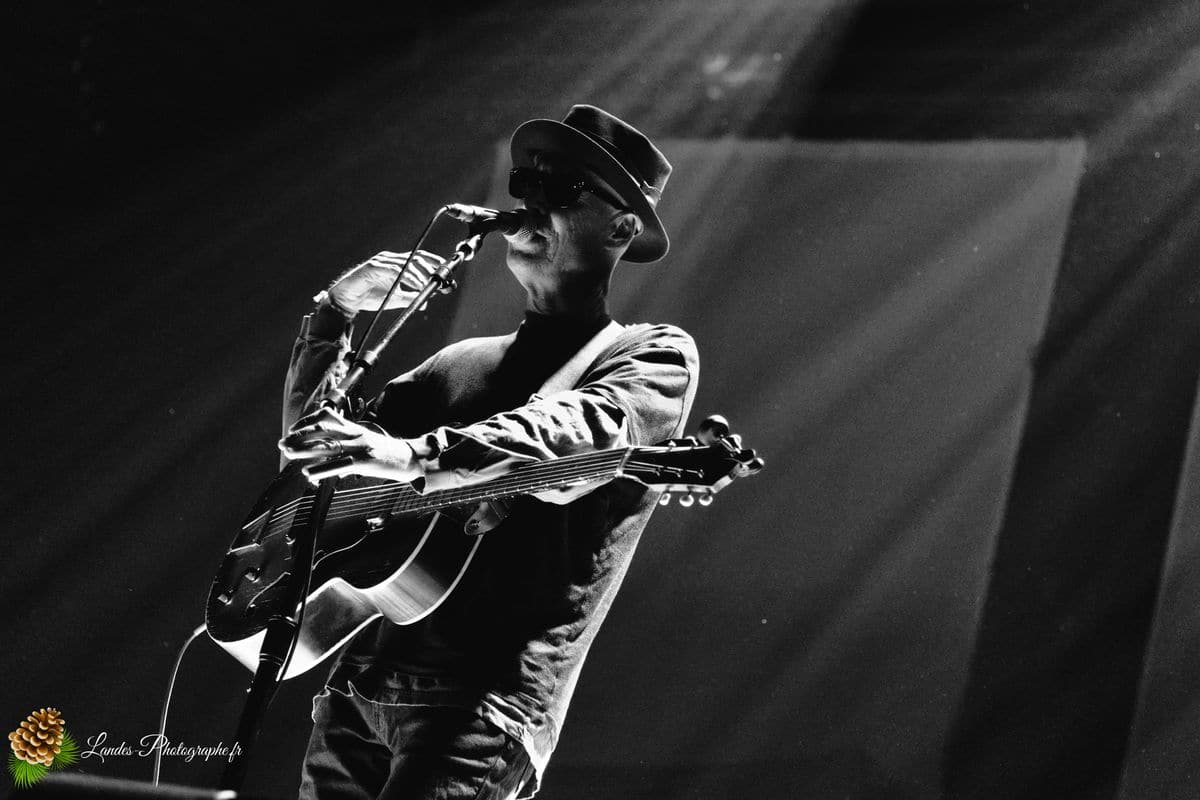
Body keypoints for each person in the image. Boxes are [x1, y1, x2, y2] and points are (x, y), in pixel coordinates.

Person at [279, 105, 699, 800]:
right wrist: (333, 315)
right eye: (525, 184)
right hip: (359, 687)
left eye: (561, 190)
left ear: (622, 229)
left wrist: (414, 456)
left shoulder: (649, 355)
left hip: (481, 705)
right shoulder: (457, 362)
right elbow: (312, 463)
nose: (529, 203)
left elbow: (570, 429)